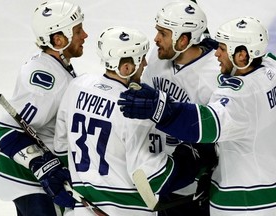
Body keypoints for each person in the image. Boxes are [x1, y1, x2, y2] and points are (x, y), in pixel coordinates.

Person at [118, 16, 276, 215]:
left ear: (242, 56)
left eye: (223, 48)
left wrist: (159, 108)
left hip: (242, 202)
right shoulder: (269, 69)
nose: (216, 53)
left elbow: (202, 124)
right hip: (267, 188)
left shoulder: (241, 96)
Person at [53, 26, 217, 216]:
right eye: (141, 59)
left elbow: (62, 148)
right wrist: (193, 155)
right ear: (126, 67)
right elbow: (156, 178)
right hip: (125, 210)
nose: (146, 63)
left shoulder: (77, 86)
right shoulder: (134, 111)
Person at [0, 1, 88, 215]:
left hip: (37, 180)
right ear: (59, 40)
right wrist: (45, 169)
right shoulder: (45, 81)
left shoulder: (56, 66)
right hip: (30, 182)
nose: (85, 35)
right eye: (78, 31)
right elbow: (7, 131)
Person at [140, 1, 222, 215]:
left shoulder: (214, 77)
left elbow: (225, 135)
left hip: (194, 182)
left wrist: (213, 172)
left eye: (163, 33)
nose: (156, 39)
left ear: (183, 39)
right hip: (160, 172)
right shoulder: (158, 59)